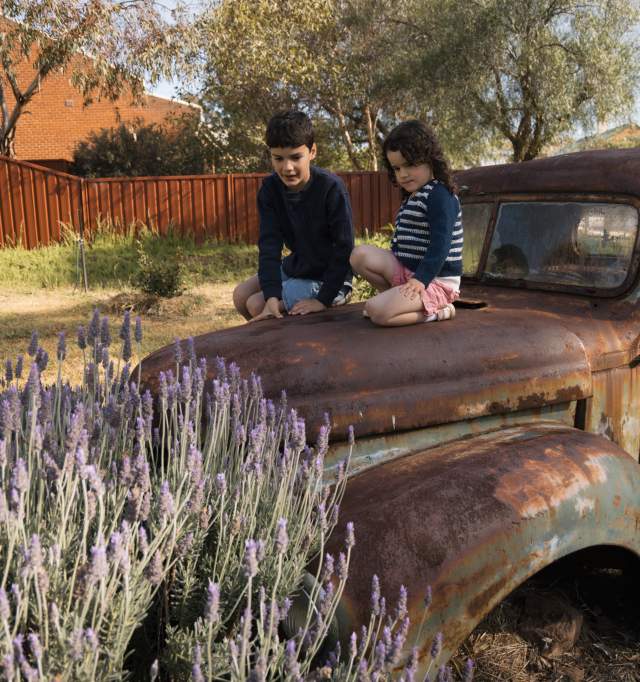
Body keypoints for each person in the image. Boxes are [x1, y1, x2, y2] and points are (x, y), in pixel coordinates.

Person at [233, 110, 354, 322]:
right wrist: (272, 294)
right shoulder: (270, 190)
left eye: (296, 157)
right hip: (298, 266)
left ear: (312, 151)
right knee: (241, 295)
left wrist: (322, 299)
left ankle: (283, 350)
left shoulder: (331, 188)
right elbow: (269, 246)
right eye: (278, 158)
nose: (287, 167)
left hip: (331, 280)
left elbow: (344, 248)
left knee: (255, 304)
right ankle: (265, 342)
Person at [350, 120, 463, 326]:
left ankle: (439, 310)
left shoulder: (439, 195)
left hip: (435, 281)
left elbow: (441, 244)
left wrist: (421, 279)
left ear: (430, 159)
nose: (403, 174)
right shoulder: (414, 195)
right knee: (359, 256)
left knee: (376, 312)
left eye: (410, 165)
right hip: (407, 271)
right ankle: (394, 299)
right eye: (397, 168)